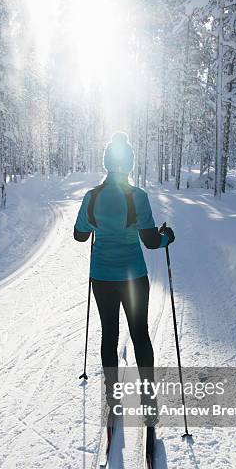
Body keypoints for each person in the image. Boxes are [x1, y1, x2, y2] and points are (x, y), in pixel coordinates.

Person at [73, 132, 175, 425]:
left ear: (107, 164)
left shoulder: (92, 197)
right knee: (140, 333)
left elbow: (80, 236)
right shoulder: (138, 197)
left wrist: (96, 223)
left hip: (102, 277)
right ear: (129, 164)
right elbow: (151, 242)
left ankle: (112, 396)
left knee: (109, 333)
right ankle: (148, 399)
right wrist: (167, 237)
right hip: (133, 277)